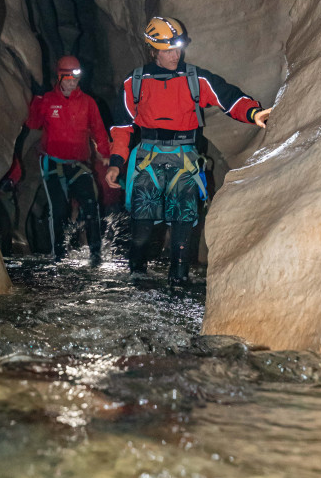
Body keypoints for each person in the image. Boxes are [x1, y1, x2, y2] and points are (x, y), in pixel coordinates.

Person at [105, 17, 272, 291]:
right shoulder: (133, 83)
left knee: (183, 224)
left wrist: (253, 112)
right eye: (168, 50)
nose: (175, 55)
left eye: (177, 49)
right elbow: (122, 128)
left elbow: (228, 98)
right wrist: (116, 162)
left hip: (184, 158)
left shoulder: (196, 79)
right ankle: (136, 281)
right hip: (147, 158)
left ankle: (179, 283)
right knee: (142, 227)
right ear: (153, 51)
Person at [25, 55, 110, 266]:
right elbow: (33, 123)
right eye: (69, 79)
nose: (73, 83)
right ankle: (59, 256)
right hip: (53, 164)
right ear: (60, 78)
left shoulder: (87, 103)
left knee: (91, 206)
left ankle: (96, 257)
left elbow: (99, 130)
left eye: (76, 79)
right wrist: (36, 103)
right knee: (60, 209)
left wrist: (106, 154)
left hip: (79, 164)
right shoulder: (48, 101)